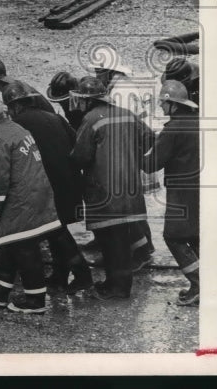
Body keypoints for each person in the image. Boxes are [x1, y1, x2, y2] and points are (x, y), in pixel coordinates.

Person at [0, 95, 61, 314]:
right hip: (39, 193)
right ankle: (0, 291)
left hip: (21, 199)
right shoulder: (16, 129)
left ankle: (35, 299)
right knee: (10, 241)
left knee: (24, 247)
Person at [2, 82, 93, 293]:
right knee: (56, 229)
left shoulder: (17, 124)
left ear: (13, 106)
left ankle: (83, 274)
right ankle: (60, 276)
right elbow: (75, 145)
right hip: (69, 182)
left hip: (47, 185)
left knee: (55, 231)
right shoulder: (55, 118)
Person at [70, 75, 155, 299]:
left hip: (104, 191)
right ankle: (116, 284)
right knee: (121, 238)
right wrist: (131, 155)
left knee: (111, 242)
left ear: (87, 100)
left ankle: (118, 288)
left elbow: (80, 157)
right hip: (130, 188)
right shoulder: (127, 114)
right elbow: (149, 136)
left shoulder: (90, 119)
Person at [142, 80, 200, 306]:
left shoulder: (172, 129)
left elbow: (150, 165)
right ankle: (210, 283)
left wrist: (137, 151)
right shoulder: (197, 122)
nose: (161, 108)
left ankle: (198, 284)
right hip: (202, 189)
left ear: (173, 105)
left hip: (182, 193)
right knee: (195, 236)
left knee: (174, 236)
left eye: (163, 103)